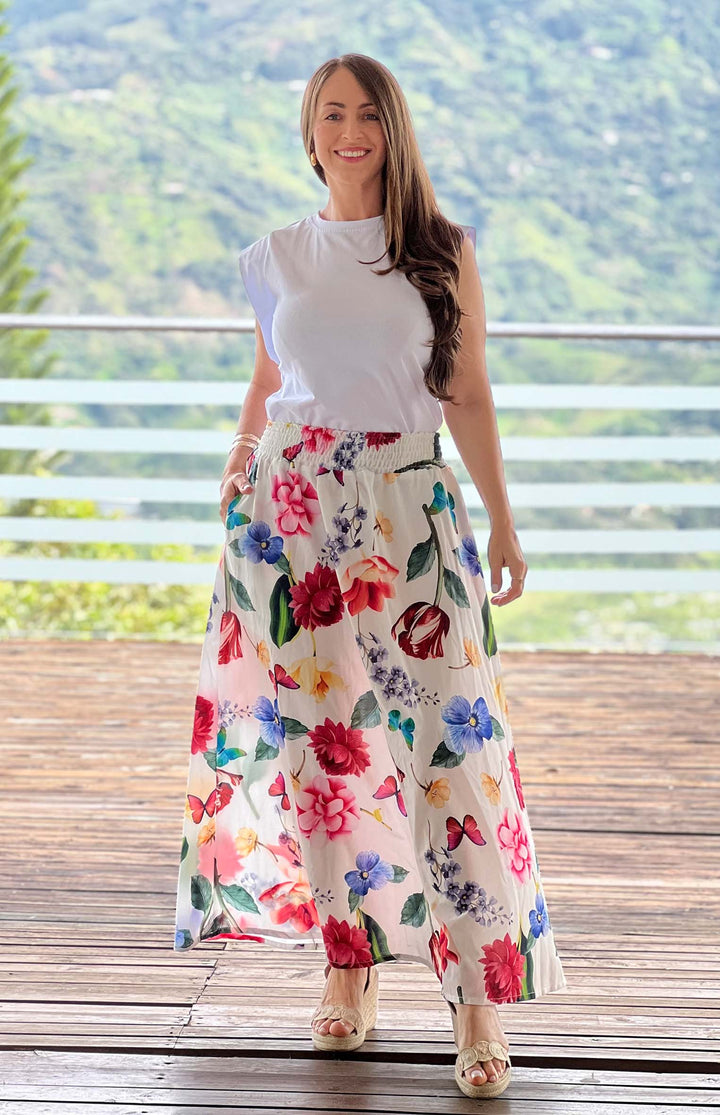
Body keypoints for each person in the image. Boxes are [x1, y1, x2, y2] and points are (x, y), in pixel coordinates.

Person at [174, 52, 567, 1100]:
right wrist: (238, 455)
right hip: (289, 514)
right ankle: (348, 968)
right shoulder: (275, 255)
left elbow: (467, 388)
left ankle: (477, 997)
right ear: (309, 132)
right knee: (323, 747)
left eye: (366, 115)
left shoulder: (440, 250)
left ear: (393, 129)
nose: (349, 132)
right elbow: (272, 374)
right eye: (330, 114)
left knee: (450, 749)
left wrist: (503, 518)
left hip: (407, 504)